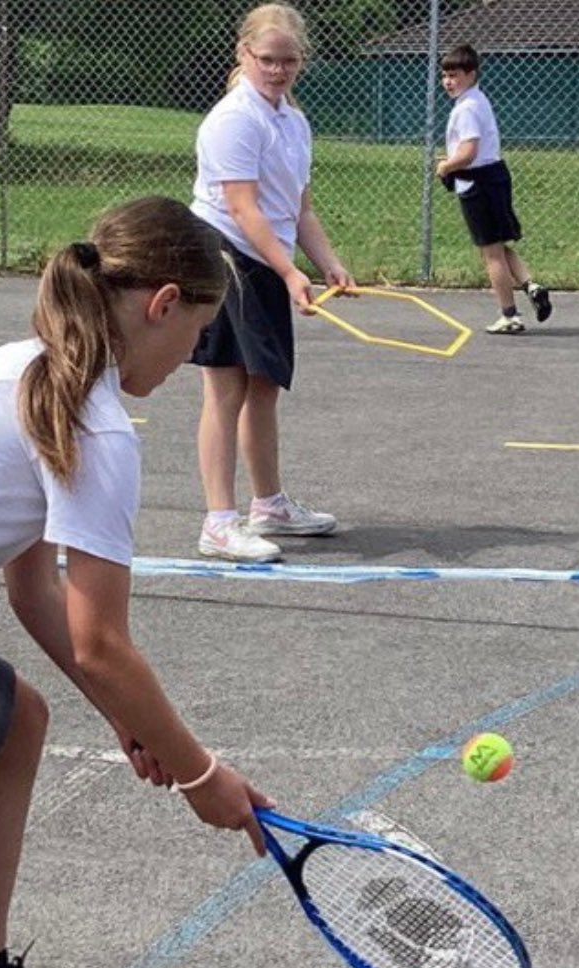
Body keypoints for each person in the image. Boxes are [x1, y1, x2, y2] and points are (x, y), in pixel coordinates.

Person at [0, 196, 274, 968]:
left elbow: (32, 591)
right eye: (198, 332)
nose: (197, 353)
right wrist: (202, 777)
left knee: (15, 719)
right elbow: (103, 642)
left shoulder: (36, 374)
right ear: (162, 303)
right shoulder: (95, 423)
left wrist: (126, 717)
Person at [190, 3, 353, 563]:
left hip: (263, 257)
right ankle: (218, 522)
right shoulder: (235, 119)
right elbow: (241, 206)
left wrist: (327, 262)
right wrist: (288, 273)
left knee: (265, 384)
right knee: (226, 386)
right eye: (267, 60)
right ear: (244, 54)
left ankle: (270, 504)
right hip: (227, 255)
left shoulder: (293, 121)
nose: (278, 70)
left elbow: (299, 208)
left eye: (288, 61)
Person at [435, 43, 552, 335]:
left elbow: (469, 151)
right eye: (445, 75)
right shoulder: (478, 101)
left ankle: (509, 314)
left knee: (491, 254)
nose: (449, 81)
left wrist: (446, 166)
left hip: (478, 182)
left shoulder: (467, 108)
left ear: (472, 74)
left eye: (456, 74)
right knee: (499, 245)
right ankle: (531, 285)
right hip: (494, 177)